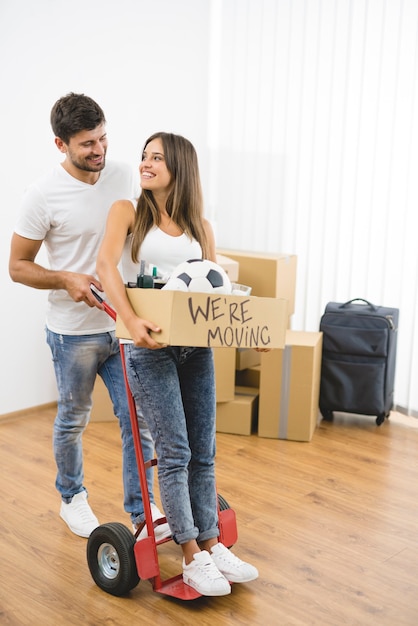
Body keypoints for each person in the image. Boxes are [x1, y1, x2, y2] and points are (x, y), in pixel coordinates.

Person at [96, 131, 259, 597]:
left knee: (204, 451)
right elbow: (107, 267)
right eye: (143, 156)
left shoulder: (200, 227)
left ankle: (211, 544)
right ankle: (190, 556)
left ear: (179, 168)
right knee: (175, 452)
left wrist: (251, 334)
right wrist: (129, 320)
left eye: (156, 158)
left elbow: (216, 294)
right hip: (148, 348)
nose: (145, 164)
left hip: (195, 350)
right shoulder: (127, 213)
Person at [8, 93, 170, 541]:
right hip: (72, 333)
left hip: (123, 324)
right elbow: (17, 266)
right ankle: (71, 497)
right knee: (74, 417)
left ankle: (142, 508)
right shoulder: (41, 195)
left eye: (102, 138)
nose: (99, 150)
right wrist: (65, 279)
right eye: (86, 144)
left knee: (136, 417)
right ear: (61, 145)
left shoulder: (124, 177)